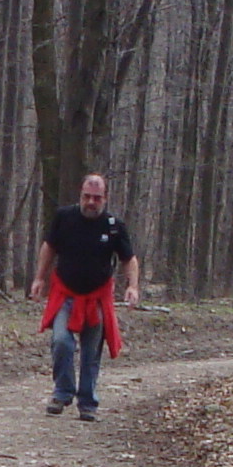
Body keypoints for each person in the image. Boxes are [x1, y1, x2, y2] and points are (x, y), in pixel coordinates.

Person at [31, 171, 138, 420]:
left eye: (97, 198)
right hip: (65, 293)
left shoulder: (114, 226)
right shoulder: (64, 217)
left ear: (105, 198)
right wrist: (39, 278)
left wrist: (132, 286)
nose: (91, 202)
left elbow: (129, 259)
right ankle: (62, 392)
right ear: (80, 195)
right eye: (87, 196)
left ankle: (88, 403)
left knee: (91, 352)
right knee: (61, 342)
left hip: (96, 297)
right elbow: (49, 247)